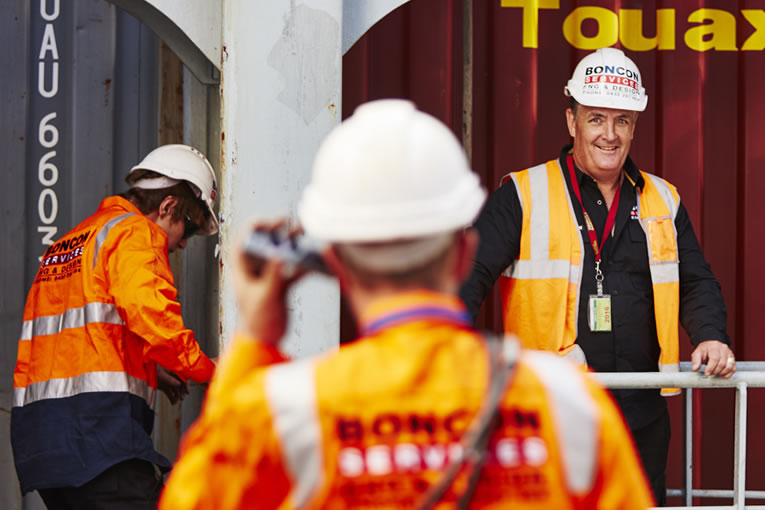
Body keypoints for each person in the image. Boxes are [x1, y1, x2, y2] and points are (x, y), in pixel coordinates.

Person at [159, 99, 653, 509]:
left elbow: (198, 493)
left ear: (334, 261)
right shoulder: (569, 407)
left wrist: (256, 343)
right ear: (463, 255)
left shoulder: (286, 414)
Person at [459, 47, 736, 505]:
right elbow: (468, 277)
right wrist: (448, 352)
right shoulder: (523, 196)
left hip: (641, 412)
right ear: (571, 122)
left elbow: (695, 280)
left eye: (622, 121)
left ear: (634, 126)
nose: (609, 135)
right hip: (551, 412)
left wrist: (710, 335)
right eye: (596, 119)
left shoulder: (662, 199)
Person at [12, 144, 220, 509]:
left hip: (45, 447)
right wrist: (212, 373)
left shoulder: (68, 244)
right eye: (187, 226)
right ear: (169, 206)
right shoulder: (134, 233)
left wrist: (152, 367)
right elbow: (154, 318)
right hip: (100, 441)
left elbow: (77, 340)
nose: (184, 242)